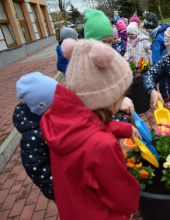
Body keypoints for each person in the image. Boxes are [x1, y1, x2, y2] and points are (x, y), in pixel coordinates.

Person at [40, 39, 141, 220]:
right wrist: (132, 205)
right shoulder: (102, 145)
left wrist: (126, 129)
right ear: (108, 98)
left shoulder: (59, 122)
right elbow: (122, 193)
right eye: (122, 94)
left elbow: (90, 124)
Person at [13, 72, 58, 201]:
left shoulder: (54, 113)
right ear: (42, 107)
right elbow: (41, 174)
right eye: (56, 101)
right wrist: (64, 191)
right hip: (66, 191)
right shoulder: (32, 139)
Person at [84, 9, 134, 117]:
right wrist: (118, 101)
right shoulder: (86, 69)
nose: (108, 47)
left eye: (110, 42)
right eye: (103, 42)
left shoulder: (106, 60)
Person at [143, 12, 170, 106]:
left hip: (162, 64)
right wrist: (152, 46)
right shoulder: (155, 35)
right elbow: (158, 46)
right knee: (162, 82)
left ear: (153, 26)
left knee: (163, 83)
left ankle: (165, 98)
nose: (146, 30)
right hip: (158, 63)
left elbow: (167, 46)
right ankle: (165, 96)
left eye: (147, 28)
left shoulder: (159, 36)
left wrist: (164, 58)